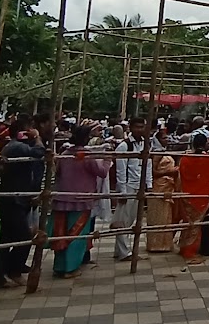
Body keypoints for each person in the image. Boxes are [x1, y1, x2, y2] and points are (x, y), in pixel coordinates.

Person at [50, 126, 110, 278]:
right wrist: (108, 159)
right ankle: (70, 268)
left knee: (61, 232)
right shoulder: (85, 155)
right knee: (76, 235)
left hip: (62, 198)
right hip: (81, 199)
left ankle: (59, 266)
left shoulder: (65, 154)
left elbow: (56, 172)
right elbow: (102, 172)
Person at [0, 121, 44, 287]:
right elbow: (39, 152)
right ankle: (13, 270)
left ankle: (0, 275)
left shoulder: (17, 146)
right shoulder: (17, 147)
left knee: (7, 237)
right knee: (23, 236)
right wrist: (37, 137)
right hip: (13, 199)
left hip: (16, 197)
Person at [174, 134, 209, 259]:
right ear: (205, 144)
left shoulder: (185, 158)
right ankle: (190, 251)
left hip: (186, 194)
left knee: (187, 223)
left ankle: (184, 247)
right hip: (200, 196)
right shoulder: (207, 159)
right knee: (195, 225)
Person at [111, 116, 150, 261]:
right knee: (124, 221)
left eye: (142, 127)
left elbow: (148, 166)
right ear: (130, 128)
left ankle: (119, 250)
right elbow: (120, 171)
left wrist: (149, 185)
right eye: (137, 127)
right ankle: (124, 252)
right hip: (128, 186)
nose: (140, 130)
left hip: (139, 186)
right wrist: (122, 192)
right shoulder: (124, 146)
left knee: (131, 219)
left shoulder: (145, 145)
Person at [146, 147, 178, 253]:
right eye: (163, 137)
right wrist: (168, 172)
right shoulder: (157, 153)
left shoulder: (165, 152)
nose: (166, 139)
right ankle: (156, 244)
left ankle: (165, 244)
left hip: (167, 186)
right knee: (158, 216)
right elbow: (153, 172)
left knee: (166, 216)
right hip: (159, 186)